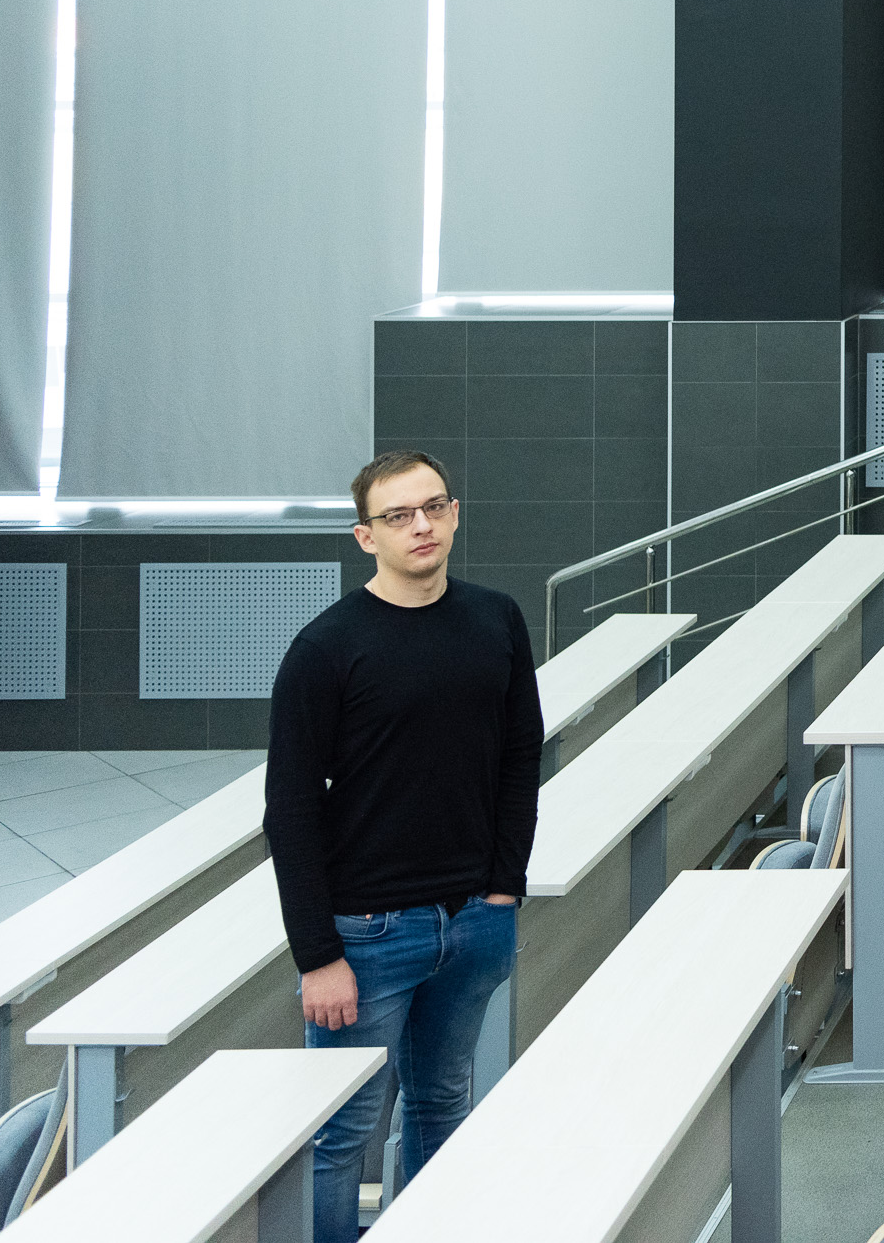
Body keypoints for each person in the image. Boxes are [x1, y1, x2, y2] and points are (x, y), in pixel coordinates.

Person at [265, 450, 540, 1243]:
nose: (421, 525)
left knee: (442, 1104)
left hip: (474, 920)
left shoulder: (496, 619)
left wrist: (503, 888)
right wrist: (317, 955)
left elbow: (521, 754)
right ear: (366, 536)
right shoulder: (326, 648)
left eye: (434, 507)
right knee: (340, 1135)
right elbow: (289, 810)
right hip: (366, 936)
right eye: (398, 515)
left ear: (454, 514)